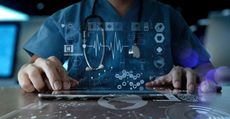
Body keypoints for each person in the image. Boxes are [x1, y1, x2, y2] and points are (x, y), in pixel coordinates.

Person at [18, 0, 215, 93]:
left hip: (159, 114)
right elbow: (38, 70)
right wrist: (30, 72)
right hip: (84, 117)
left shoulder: (167, 16)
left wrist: (193, 75)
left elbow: (207, 70)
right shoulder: (68, 17)